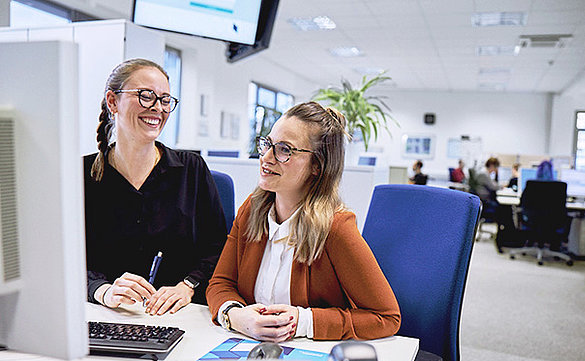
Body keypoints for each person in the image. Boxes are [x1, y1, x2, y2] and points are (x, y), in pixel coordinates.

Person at [206, 101, 400, 342]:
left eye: (284, 149)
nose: (266, 157)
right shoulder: (252, 210)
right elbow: (220, 283)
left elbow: (386, 317)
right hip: (247, 349)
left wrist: (303, 321)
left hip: (308, 360)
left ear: (317, 166)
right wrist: (234, 316)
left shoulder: (336, 227)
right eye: (268, 144)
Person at [84, 58, 227, 316]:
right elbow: (63, 259)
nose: (157, 108)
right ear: (113, 101)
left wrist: (188, 285)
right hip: (103, 314)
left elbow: (219, 249)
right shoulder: (82, 176)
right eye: (146, 96)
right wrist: (103, 290)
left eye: (164, 100)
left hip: (180, 315)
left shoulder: (191, 170)